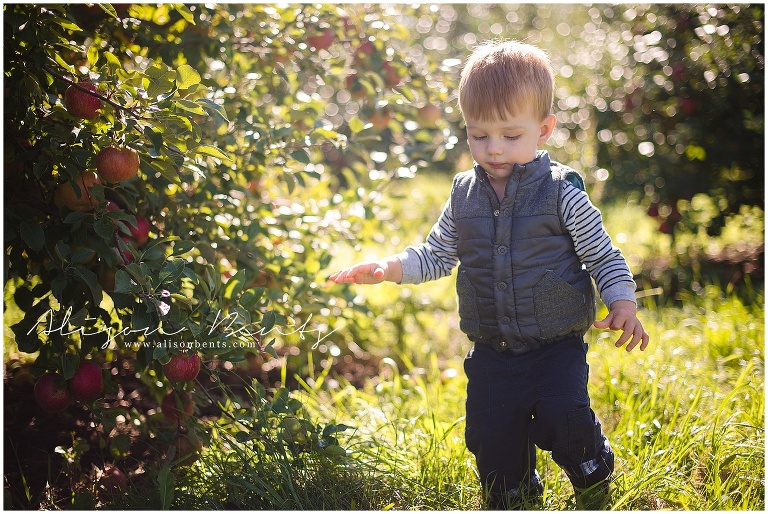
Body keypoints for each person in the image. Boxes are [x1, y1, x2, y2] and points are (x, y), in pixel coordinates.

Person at [328, 39, 650, 510]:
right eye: (479, 136)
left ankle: (593, 467)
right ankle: (515, 490)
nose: (493, 149)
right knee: (490, 437)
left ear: (544, 130)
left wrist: (621, 302)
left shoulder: (562, 193)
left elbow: (603, 256)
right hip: (493, 352)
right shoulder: (464, 196)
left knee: (564, 417)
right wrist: (389, 268)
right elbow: (437, 255)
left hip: (554, 346)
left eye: (510, 136)